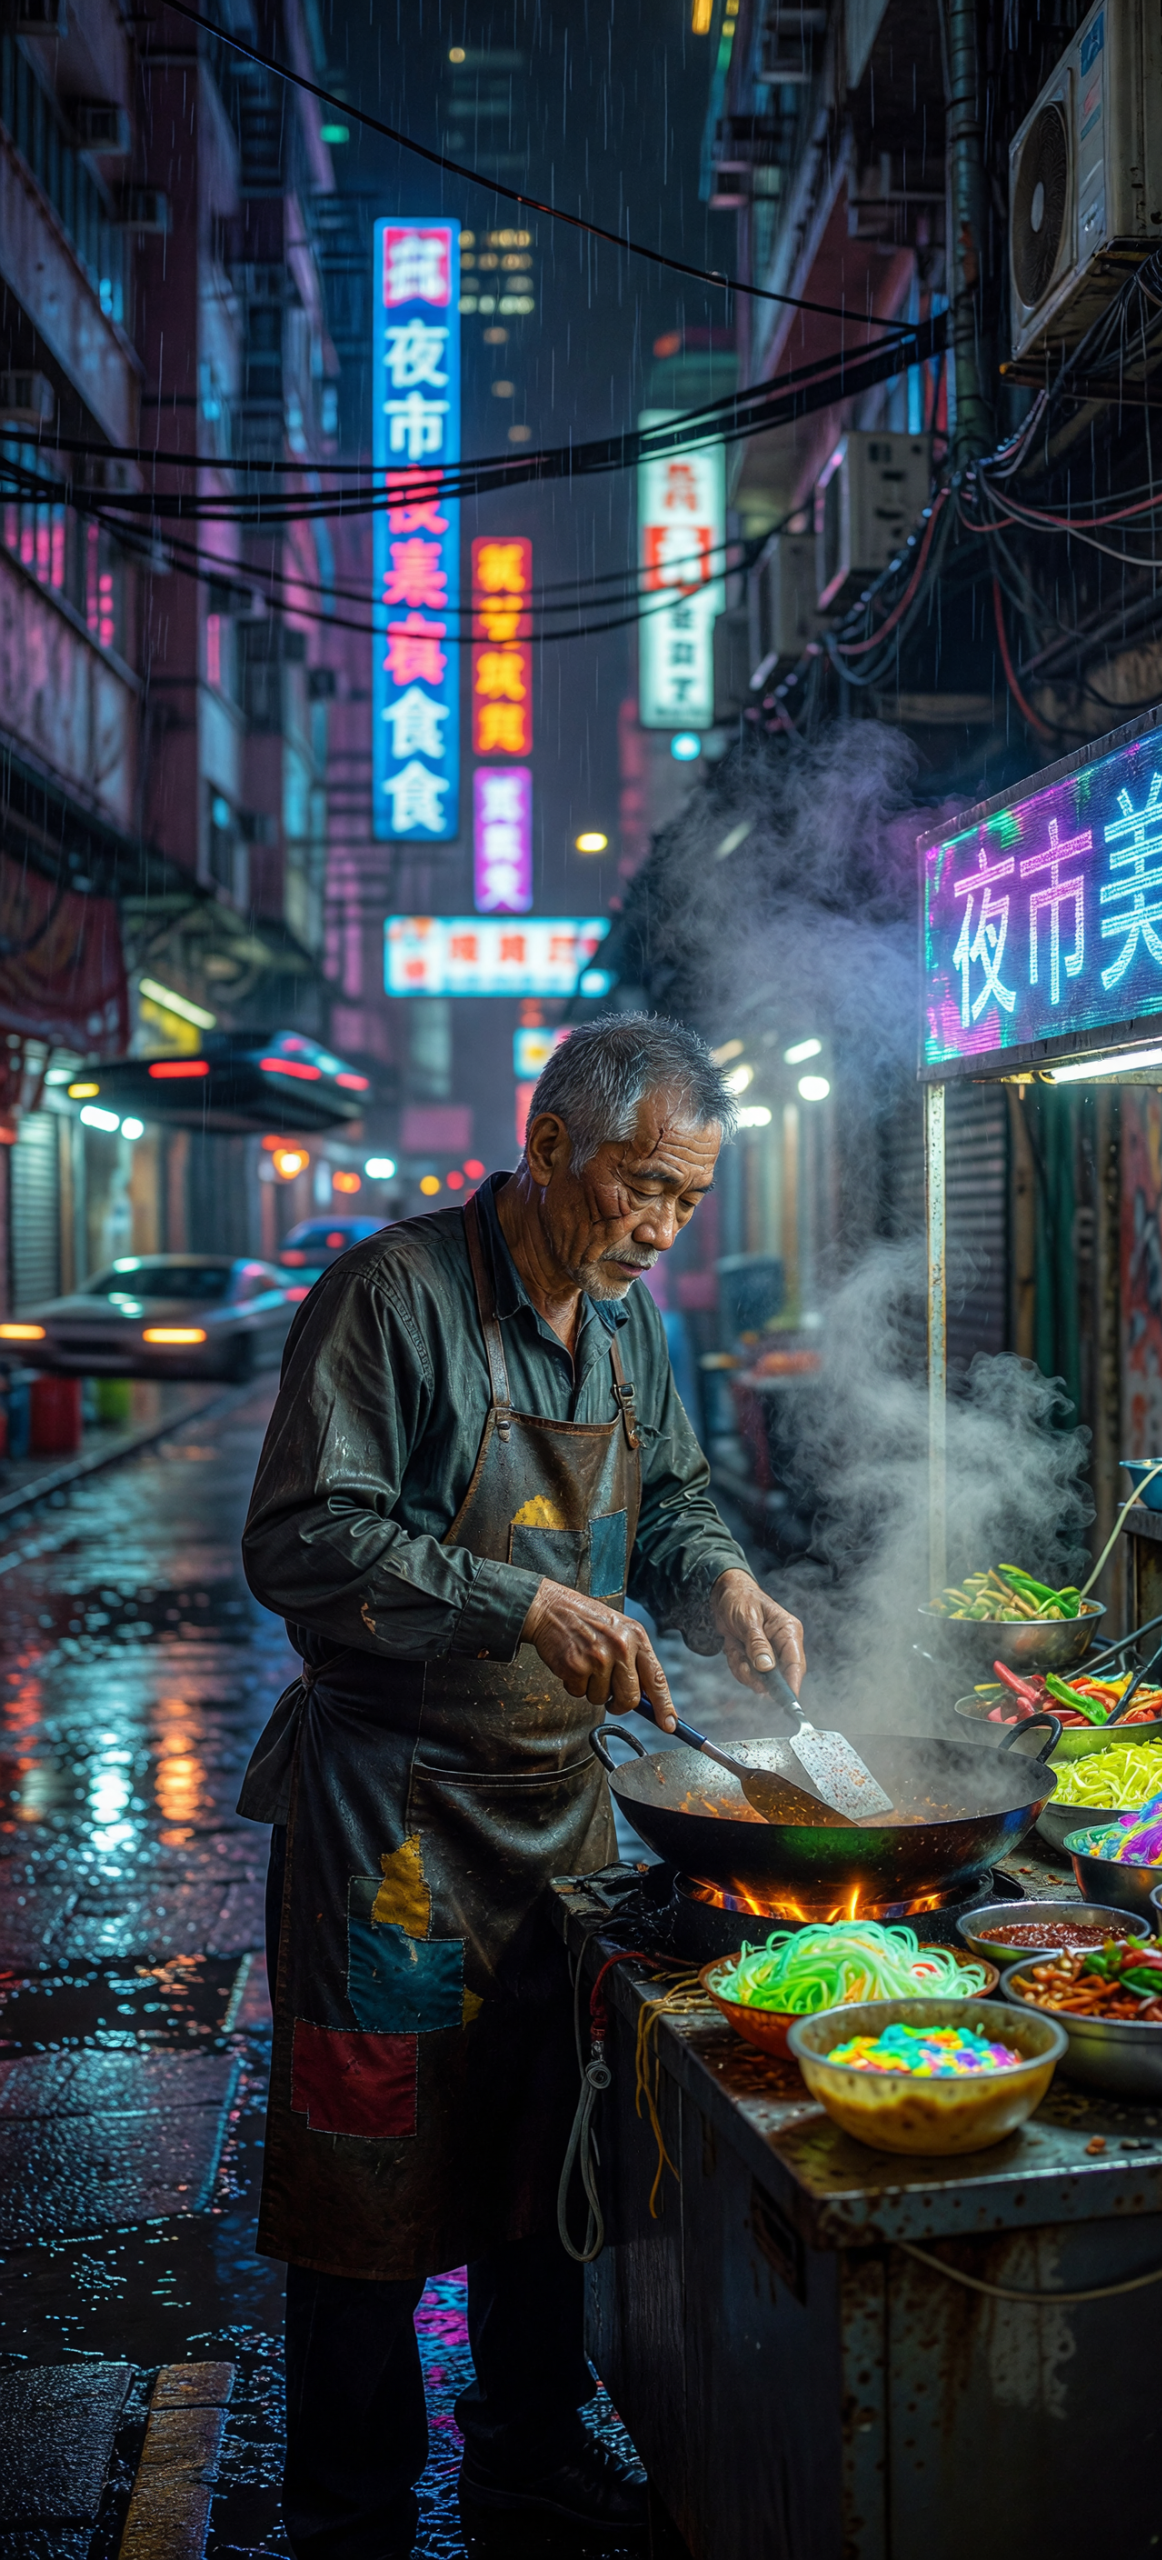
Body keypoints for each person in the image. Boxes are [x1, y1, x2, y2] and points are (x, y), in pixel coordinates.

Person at [239, 1014, 805, 2557]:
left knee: (542, 2144)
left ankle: (528, 2455)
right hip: (394, 1828)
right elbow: (300, 1537)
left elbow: (675, 1496)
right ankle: (349, 2510)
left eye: (689, 1200)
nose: (662, 1228)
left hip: (559, 1813)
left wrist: (725, 1581)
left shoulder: (630, 1324)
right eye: (642, 1188)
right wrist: (518, 1602)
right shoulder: (394, 1294)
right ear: (549, 1145)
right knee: (371, 2175)